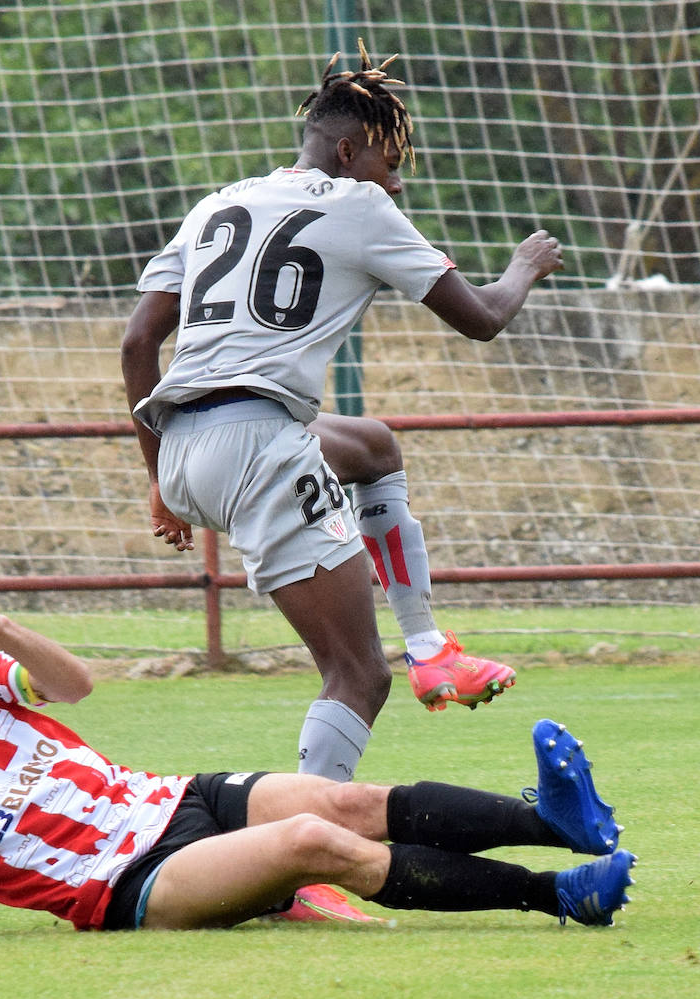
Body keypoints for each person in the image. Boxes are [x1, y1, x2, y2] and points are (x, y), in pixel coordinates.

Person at [121, 43, 565, 787]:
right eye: (391, 165)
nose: (397, 183)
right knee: (358, 675)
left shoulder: (215, 204)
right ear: (349, 150)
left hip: (186, 444)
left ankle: (430, 651)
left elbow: (138, 343)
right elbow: (483, 318)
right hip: (258, 446)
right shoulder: (362, 207)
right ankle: (303, 854)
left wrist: (161, 480)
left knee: (371, 446)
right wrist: (523, 267)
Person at [0, 558, 634, 933]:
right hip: (126, 884)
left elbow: (74, 686)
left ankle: (555, 820)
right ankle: (555, 896)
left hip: (168, 799)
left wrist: (0, 627)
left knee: (346, 800)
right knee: (314, 844)